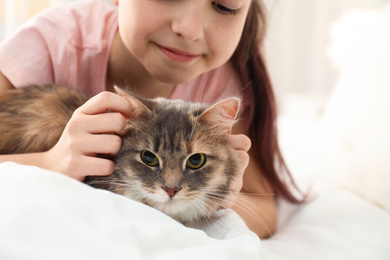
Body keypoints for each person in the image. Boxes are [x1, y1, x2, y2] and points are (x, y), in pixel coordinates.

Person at [0, 0, 302, 238]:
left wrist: (216, 199)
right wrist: (49, 163)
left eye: (225, 6)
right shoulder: (55, 40)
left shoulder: (224, 85)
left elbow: (266, 209)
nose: (190, 29)